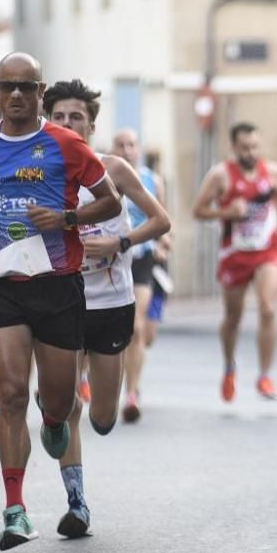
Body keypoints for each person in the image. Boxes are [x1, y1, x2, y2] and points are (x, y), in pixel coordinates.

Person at [0, 52, 122, 551]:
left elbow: (110, 199)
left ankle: (53, 423)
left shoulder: (66, 145)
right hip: (3, 285)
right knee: (8, 393)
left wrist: (67, 219)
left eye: (27, 87)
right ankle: (15, 510)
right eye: (8, 86)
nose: (17, 95)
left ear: (40, 91)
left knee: (59, 401)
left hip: (57, 285)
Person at [44, 78, 170, 536]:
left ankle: (72, 406)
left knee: (102, 418)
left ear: (92, 124)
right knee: (63, 403)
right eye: (57, 117)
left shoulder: (114, 169)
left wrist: (120, 241)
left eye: (75, 116)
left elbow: (161, 219)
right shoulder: (37, 174)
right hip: (59, 301)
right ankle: (76, 503)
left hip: (111, 302)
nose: (66, 123)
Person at [192, 122, 277, 402]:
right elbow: (198, 210)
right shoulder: (220, 175)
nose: (251, 152)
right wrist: (227, 211)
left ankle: (265, 375)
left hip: (266, 249)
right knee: (233, 318)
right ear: (233, 147)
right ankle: (229, 366)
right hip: (234, 253)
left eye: (255, 147)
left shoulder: (271, 171)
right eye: (245, 148)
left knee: (268, 308)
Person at [111, 128, 166, 422]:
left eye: (131, 144)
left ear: (139, 149)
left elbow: (163, 220)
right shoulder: (102, 175)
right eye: (120, 145)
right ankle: (87, 378)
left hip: (142, 258)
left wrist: (164, 245)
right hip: (110, 258)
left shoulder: (152, 181)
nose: (126, 149)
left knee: (137, 328)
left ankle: (131, 393)